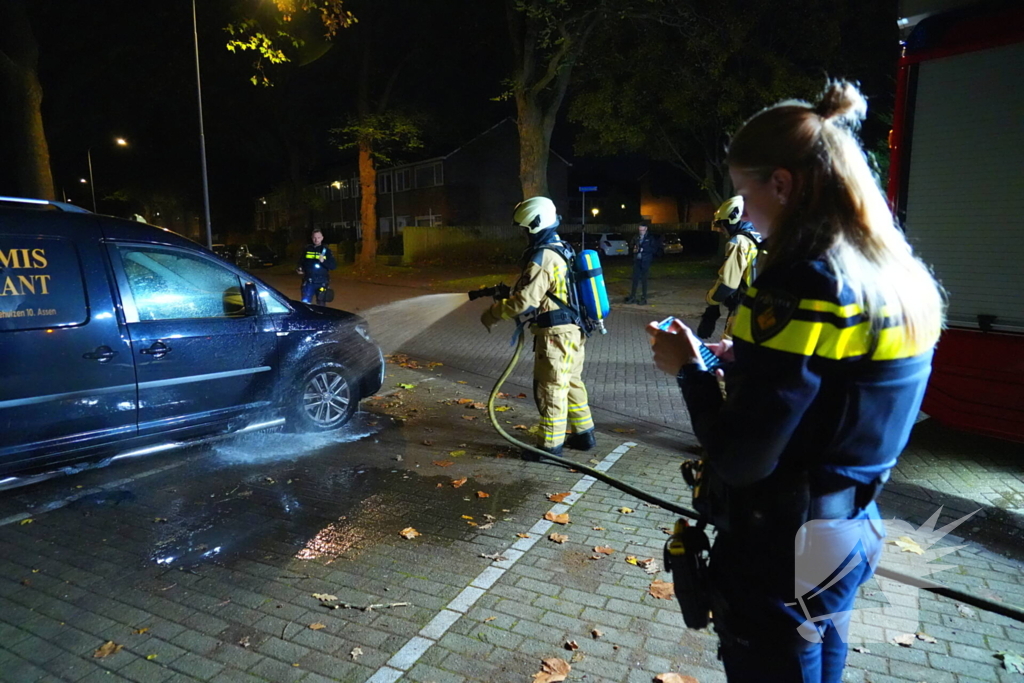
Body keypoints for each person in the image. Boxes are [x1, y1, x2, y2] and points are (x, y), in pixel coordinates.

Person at [646, 81, 943, 682]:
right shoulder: (893, 272)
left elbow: (740, 459)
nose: (746, 212)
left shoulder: (798, 281)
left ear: (780, 183)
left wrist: (692, 370)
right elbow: (845, 387)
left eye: (744, 193)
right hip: (847, 529)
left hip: (781, 549)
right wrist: (745, 359)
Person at [480, 196, 596, 456]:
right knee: (572, 382)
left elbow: (525, 300)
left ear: (535, 224)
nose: (524, 234)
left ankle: (550, 447)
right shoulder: (562, 247)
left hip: (556, 334)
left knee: (551, 388)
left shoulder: (543, 257)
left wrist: (494, 312)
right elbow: (548, 290)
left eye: (524, 229)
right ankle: (584, 434)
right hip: (574, 330)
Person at [697, 197, 762, 339]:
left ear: (733, 220)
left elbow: (728, 284)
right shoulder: (763, 236)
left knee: (730, 349)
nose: (721, 229)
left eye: (722, 224)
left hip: (747, 307)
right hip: (769, 305)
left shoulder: (739, 242)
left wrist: (711, 303)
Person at [296, 228, 336, 305]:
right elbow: (301, 262)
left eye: (318, 237)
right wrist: (299, 268)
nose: (316, 239)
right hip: (308, 282)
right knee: (305, 304)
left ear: (322, 238)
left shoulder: (326, 251)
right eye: (314, 237)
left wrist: (323, 261)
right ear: (312, 238)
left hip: (322, 282)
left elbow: (333, 266)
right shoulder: (307, 249)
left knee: (321, 306)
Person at [625, 224, 658, 304]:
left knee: (644, 280)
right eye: (640, 230)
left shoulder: (650, 238)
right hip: (637, 260)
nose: (641, 232)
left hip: (645, 261)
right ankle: (632, 296)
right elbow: (631, 245)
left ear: (646, 229)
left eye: (642, 230)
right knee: (635, 279)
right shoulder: (636, 237)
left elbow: (654, 249)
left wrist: (644, 249)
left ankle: (644, 298)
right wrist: (634, 248)